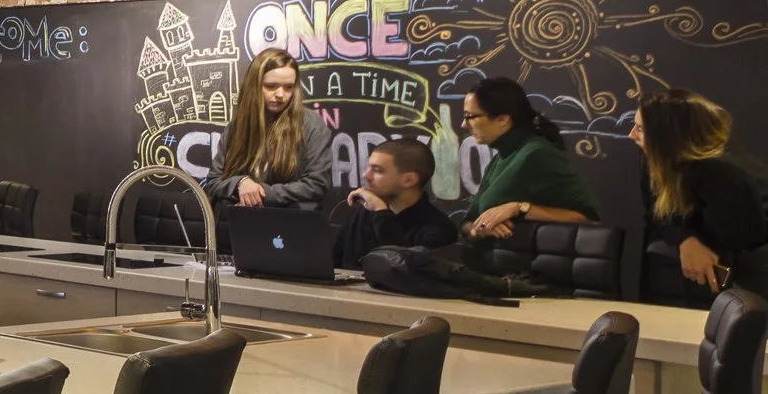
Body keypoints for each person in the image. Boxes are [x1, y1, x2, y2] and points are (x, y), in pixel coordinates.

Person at [635, 86, 768, 303]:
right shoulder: (656, 159)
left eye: (640, 129)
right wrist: (685, 239)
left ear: (669, 137)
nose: (632, 135)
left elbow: (739, 240)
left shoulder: (721, 173)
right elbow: (655, 214)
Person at [458, 77, 600, 239]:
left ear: (502, 119)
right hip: (490, 262)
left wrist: (520, 208)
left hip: (525, 263)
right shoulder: (501, 158)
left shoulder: (537, 154)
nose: (464, 124)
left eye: (470, 116)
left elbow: (589, 218)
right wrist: (479, 230)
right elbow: (467, 222)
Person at [207, 47, 330, 209]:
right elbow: (214, 181)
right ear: (254, 86)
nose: (280, 94)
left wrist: (260, 192)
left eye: (288, 87)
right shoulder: (237, 127)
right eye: (271, 86)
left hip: (291, 224)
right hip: (239, 225)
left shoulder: (311, 124)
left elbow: (316, 184)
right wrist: (240, 183)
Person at [334, 137, 458, 267]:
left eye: (377, 170)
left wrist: (381, 212)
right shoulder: (362, 211)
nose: (366, 175)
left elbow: (404, 268)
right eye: (368, 167)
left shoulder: (439, 229)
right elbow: (335, 263)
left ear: (409, 180)